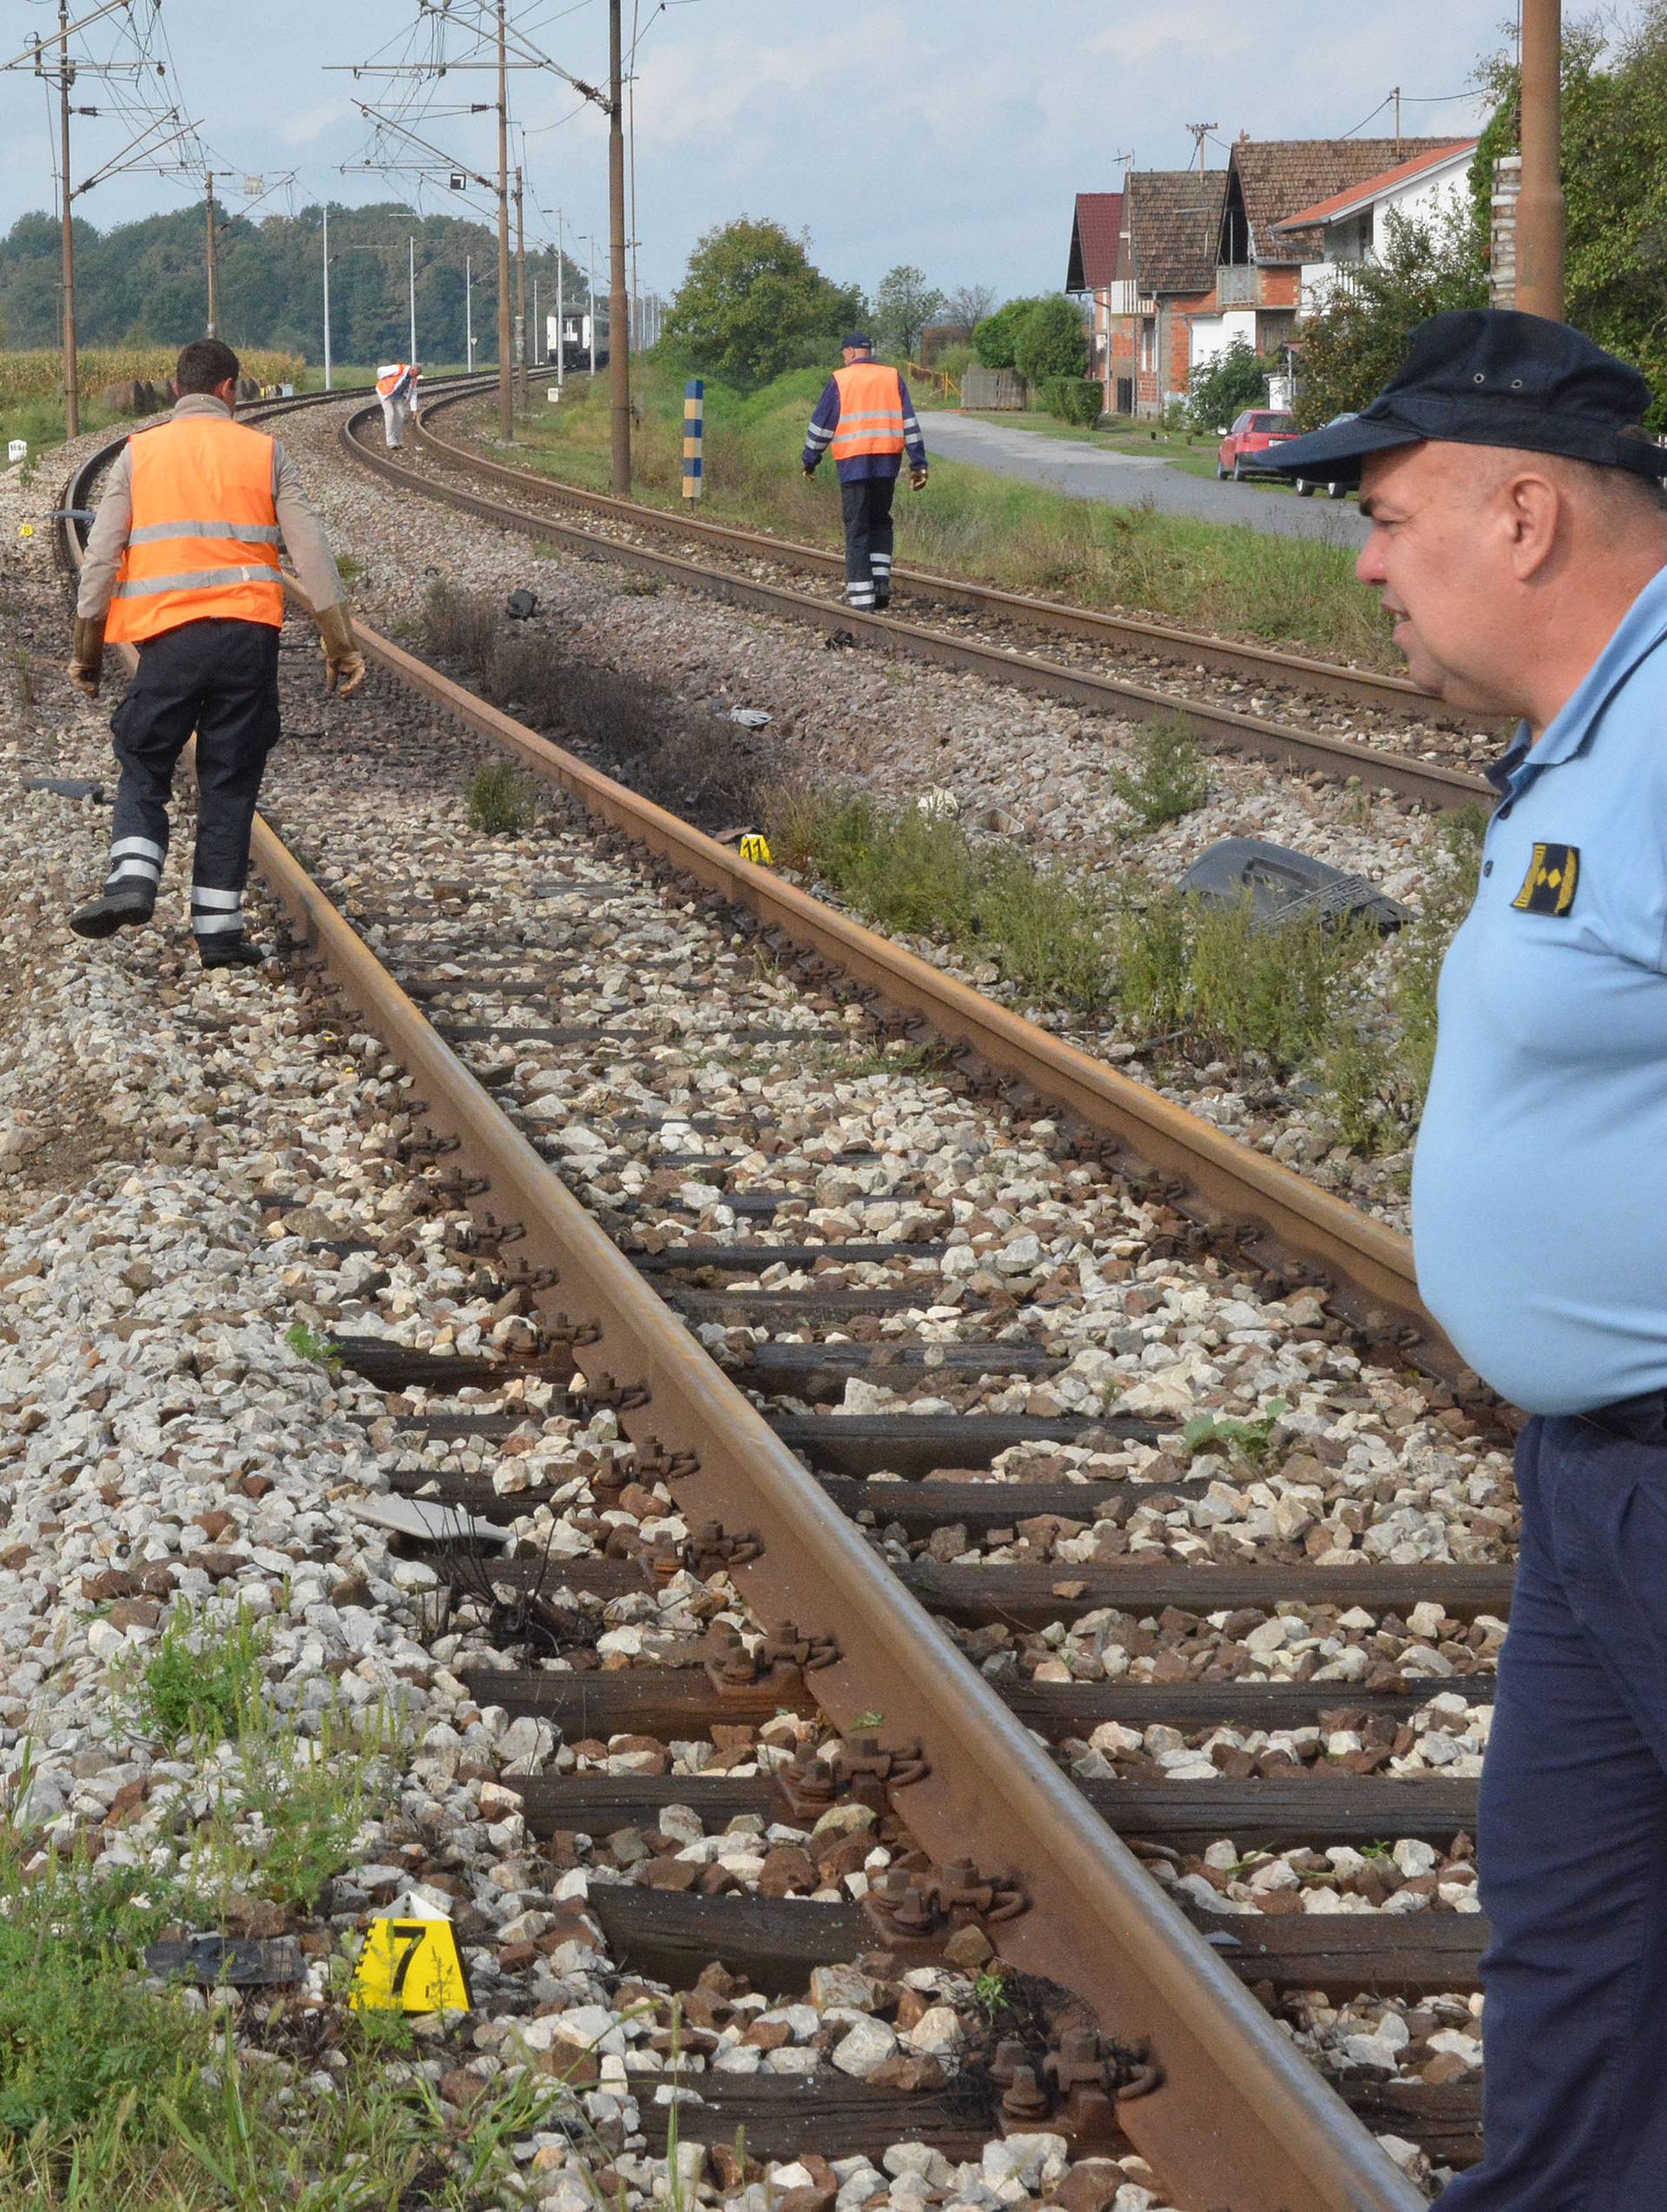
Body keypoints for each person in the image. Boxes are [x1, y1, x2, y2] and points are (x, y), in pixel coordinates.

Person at [1268, 311, 1667, 2211]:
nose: (1362, 556)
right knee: (1581, 1939)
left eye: (1386, 510)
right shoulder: (1586, 736)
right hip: (1597, 1480)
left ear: (1523, 518)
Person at [67, 335, 366, 968]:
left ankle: (132, 881)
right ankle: (220, 935)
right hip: (248, 640)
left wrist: (88, 651)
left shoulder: (138, 454)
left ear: (178, 391)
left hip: (169, 640)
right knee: (230, 779)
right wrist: (340, 643)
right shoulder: (266, 453)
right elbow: (310, 553)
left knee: (145, 757)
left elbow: (100, 560)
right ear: (230, 390)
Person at [801, 333, 928, 613]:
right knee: (881, 523)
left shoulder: (840, 380)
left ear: (850, 352)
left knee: (857, 532)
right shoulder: (892, 377)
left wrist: (810, 460)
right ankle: (880, 585)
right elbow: (909, 423)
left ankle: (862, 602)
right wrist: (919, 463)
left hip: (854, 465)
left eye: (844, 353)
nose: (844, 358)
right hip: (887, 464)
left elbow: (821, 427)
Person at [376, 360, 421, 449]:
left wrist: (414, 409)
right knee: (390, 415)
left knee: (400, 417)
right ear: (412, 371)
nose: (416, 377)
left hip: (398, 397)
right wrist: (382, 380)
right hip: (385, 394)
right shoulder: (398, 369)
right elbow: (380, 370)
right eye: (416, 374)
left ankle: (398, 441)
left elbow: (413, 393)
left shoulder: (414, 379)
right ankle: (391, 442)